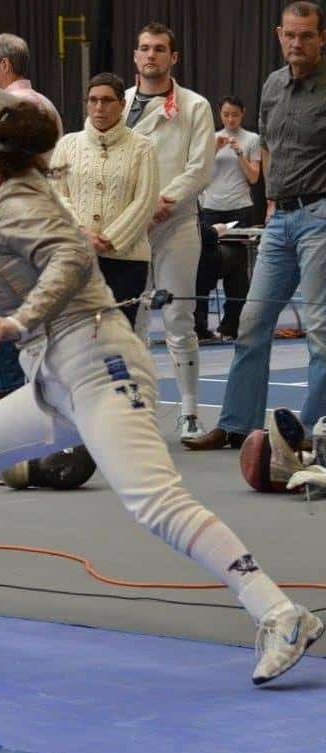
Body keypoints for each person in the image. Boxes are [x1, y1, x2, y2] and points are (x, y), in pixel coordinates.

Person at [0, 92, 323, 686]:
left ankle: (279, 614)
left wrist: (21, 319)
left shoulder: (22, 204)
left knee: (155, 502)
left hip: (98, 366)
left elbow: (70, 258)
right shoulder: (8, 202)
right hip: (59, 377)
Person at [186, 1, 326, 451]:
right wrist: (269, 200)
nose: (297, 43)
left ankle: (308, 435)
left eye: (307, 35)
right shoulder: (272, 85)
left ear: (322, 38)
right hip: (280, 218)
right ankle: (236, 426)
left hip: (321, 216)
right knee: (251, 321)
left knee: (321, 330)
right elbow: (269, 145)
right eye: (290, 34)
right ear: (278, 35)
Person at [124, 22, 215, 441]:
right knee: (131, 320)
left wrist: (161, 204)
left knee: (179, 317)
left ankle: (190, 412)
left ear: (173, 57)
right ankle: (137, 409)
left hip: (175, 223)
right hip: (126, 228)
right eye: (144, 48)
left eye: (159, 49)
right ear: (136, 56)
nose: (151, 56)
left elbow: (199, 168)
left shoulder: (195, 106)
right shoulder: (119, 103)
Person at [0, 33, 64, 409]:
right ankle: (34, 388)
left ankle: (13, 388)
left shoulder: (10, 107)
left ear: (4, 65)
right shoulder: (43, 104)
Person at [52, 72, 159, 328]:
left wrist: (110, 239)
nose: (99, 107)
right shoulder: (67, 144)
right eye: (93, 100)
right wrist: (81, 233)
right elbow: (56, 196)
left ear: (122, 104)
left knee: (119, 338)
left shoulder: (143, 147)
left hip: (127, 261)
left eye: (107, 100)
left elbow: (145, 201)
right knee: (76, 337)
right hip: (76, 258)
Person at [194, 96, 260, 340]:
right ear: (220, 114)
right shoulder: (210, 139)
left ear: (242, 114)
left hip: (239, 209)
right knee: (202, 269)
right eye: (226, 114)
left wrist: (240, 153)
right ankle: (199, 326)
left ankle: (230, 326)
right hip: (210, 208)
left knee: (238, 270)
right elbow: (198, 173)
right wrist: (214, 150)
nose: (230, 119)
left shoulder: (252, 139)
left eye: (235, 114)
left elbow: (254, 178)